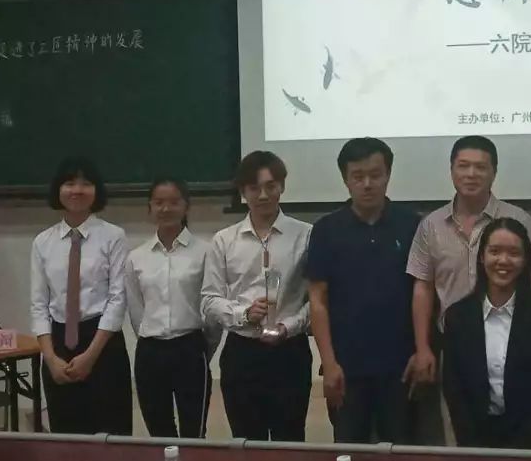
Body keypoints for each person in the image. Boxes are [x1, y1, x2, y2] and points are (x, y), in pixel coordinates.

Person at [405, 135, 531, 443]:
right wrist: (423, 347)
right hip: (453, 346)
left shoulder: (517, 219)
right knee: (457, 434)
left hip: (512, 342)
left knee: (518, 432)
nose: (471, 174)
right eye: (463, 166)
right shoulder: (431, 225)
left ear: (494, 172)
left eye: (480, 167)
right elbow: (423, 288)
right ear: (451, 170)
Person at [306, 138, 420, 443]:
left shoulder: (411, 225)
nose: (367, 184)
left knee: (401, 448)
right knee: (349, 450)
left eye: (375, 174)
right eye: (358, 176)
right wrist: (329, 362)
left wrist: (421, 349)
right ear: (345, 179)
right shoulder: (326, 230)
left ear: (388, 175)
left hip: (401, 368)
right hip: (346, 368)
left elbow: (422, 293)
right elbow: (317, 300)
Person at [201, 151, 313, 441]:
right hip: (242, 353)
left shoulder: (306, 235)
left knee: (290, 440)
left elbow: (317, 301)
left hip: (290, 352)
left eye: (270, 186)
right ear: (243, 192)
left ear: (282, 186)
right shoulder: (224, 240)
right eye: (254, 188)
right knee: (247, 442)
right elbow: (210, 299)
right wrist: (244, 314)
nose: (263, 195)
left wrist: (289, 326)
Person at [29, 156, 132, 435]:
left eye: (86, 183)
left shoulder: (113, 236)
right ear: (58, 189)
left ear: (96, 190)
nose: (77, 190)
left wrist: (90, 356)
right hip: (57, 344)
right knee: (67, 437)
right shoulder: (43, 242)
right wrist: (50, 358)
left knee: (111, 436)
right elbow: (39, 305)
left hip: (102, 344)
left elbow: (117, 299)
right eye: (69, 183)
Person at [442, 218, 531, 448]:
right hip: (475, 442)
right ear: (481, 256)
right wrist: (473, 444)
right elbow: (453, 388)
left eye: (514, 253)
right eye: (495, 251)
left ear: (525, 260)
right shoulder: (458, 316)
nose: (503, 261)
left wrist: (523, 447)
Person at [126, 178, 215, 439]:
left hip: (191, 348)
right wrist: (150, 336)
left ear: (186, 206)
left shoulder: (205, 252)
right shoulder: (136, 257)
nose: (166, 209)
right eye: (159, 202)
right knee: (159, 432)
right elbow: (136, 309)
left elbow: (212, 307)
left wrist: (204, 348)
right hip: (150, 352)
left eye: (174, 202)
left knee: (194, 433)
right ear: (150, 208)